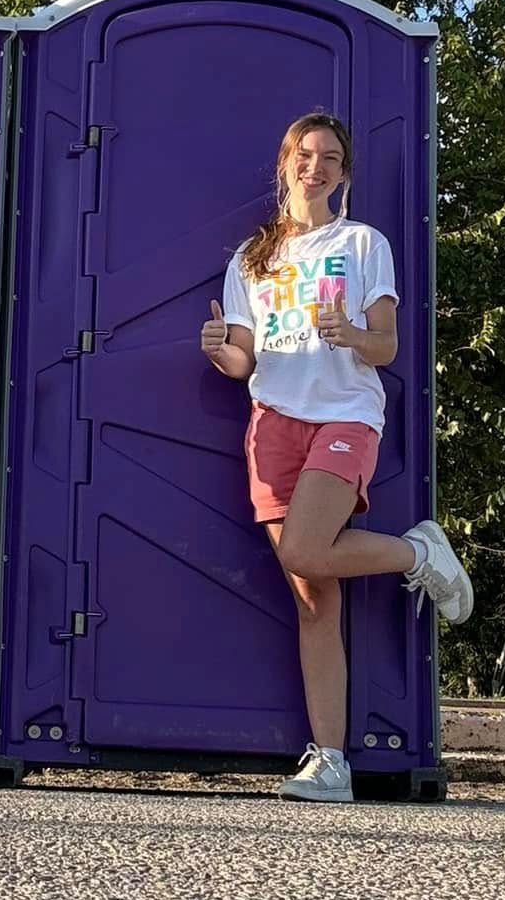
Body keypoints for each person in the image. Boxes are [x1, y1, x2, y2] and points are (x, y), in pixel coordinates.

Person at [200, 110, 471, 804]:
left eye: (328, 157)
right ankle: (331, 762)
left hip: (345, 416)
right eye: (303, 154)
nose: (314, 167)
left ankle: (418, 555)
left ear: (343, 174)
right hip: (273, 425)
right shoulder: (250, 258)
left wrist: (349, 330)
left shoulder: (363, 243)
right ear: (285, 164)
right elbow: (243, 355)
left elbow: (386, 348)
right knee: (314, 599)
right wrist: (218, 350)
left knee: (304, 551)